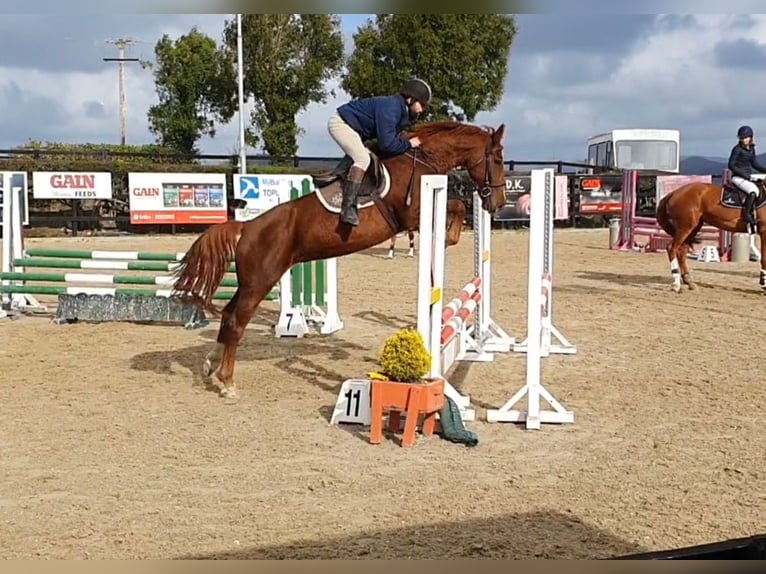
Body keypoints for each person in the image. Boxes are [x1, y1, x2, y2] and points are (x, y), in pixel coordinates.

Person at [327, 78, 432, 226]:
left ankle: (334, 183)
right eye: (421, 104)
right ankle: (347, 208)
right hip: (341, 124)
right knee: (363, 159)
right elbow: (387, 145)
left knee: (363, 157)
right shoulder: (392, 108)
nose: (422, 109)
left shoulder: (401, 111)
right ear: (410, 99)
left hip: (355, 131)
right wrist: (409, 144)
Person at [728, 124, 766, 232]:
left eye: (745, 137)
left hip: (747, 177)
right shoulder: (737, 149)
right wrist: (742, 174)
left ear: (750, 137)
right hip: (737, 177)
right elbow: (731, 165)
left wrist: (765, 170)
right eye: (742, 138)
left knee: (760, 189)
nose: (744, 140)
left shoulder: (751, 149)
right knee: (753, 191)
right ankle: (747, 215)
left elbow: (754, 164)